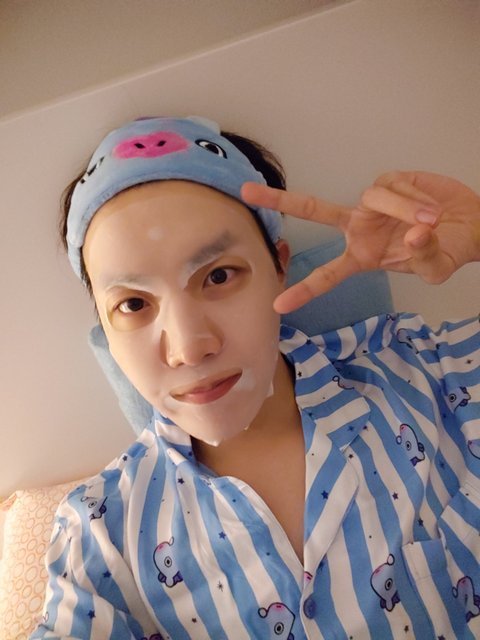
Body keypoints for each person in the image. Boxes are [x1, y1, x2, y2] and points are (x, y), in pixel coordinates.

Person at [31, 116, 480, 639]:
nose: (188, 348)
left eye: (218, 275)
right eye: (132, 304)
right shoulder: (100, 537)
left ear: (278, 267)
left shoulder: (437, 374)